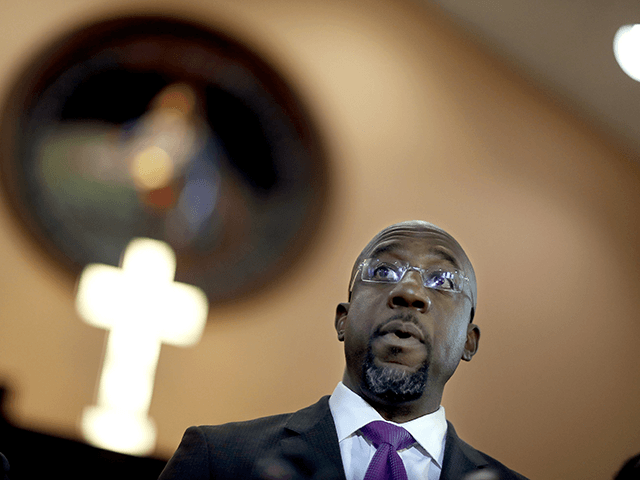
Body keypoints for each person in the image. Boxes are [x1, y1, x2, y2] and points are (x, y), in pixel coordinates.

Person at [158, 220, 528, 480]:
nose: (410, 293)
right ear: (342, 319)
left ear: (469, 340)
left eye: (443, 280)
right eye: (383, 272)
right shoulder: (219, 460)